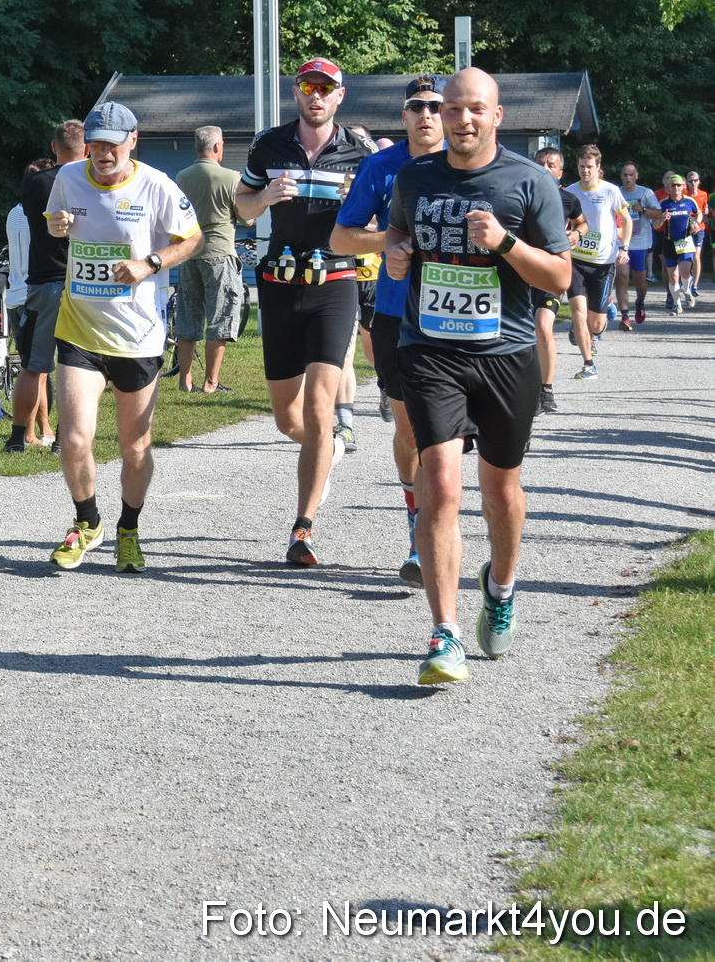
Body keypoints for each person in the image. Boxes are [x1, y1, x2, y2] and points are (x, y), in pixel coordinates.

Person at [383, 68, 571, 686]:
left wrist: (506, 242)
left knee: (502, 492)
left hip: (506, 354)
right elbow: (398, 237)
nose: (462, 120)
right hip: (430, 348)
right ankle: (445, 632)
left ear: (497, 115)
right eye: (453, 108)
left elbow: (560, 279)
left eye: (475, 110)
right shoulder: (414, 177)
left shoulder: (530, 181)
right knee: (439, 482)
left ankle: (502, 586)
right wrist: (395, 252)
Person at [43, 103, 202, 571]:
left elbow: (193, 240)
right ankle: (86, 521)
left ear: (133, 139)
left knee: (134, 448)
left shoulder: (156, 186)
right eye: (96, 141)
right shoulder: (69, 178)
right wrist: (55, 227)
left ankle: (128, 529)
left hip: (138, 337)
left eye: (114, 142)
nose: (103, 151)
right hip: (79, 329)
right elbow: (56, 224)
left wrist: (150, 264)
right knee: (73, 439)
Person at [235, 57, 376, 565]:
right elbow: (242, 206)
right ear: (296, 93)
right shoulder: (269, 144)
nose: (316, 96)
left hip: (335, 281)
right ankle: (331, 448)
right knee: (287, 420)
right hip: (278, 281)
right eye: (308, 87)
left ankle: (302, 529)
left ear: (340, 96)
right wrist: (265, 197)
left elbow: (382, 215)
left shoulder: (360, 152)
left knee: (319, 409)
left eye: (326, 88)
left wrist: (359, 207)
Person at [330, 74, 447, 589]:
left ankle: (433, 536)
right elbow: (341, 236)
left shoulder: (473, 162)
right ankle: (418, 530)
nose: (427, 115)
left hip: (460, 318)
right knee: (413, 435)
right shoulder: (381, 166)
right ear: (403, 116)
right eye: (417, 106)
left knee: (445, 440)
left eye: (436, 106)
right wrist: (389, 241)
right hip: (398, 315)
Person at [8, 122, 85, 453]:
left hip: (43, 282)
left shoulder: (35, 182)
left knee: (32, 365)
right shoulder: (94, 184)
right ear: (87, 148)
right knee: (78, 367)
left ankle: (16, 438)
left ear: (54, 148)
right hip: (82, 284)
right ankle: (64, 438)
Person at [170, 125, 241, 394]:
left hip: (189, 254)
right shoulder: (230, 178)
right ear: (215, 147)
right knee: (220, 319)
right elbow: (247, 217)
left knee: (188, 319)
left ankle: (184, 380)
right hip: (220, 253)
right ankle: (211, 382)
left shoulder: (181, 177)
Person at [564, 145, 629, 381]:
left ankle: (597, 323)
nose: (585, 171)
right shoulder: (570, 192)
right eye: (581, 167)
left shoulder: (610, 191)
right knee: (578, 312)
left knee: (597, 322)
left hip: (603, 263)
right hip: (576, 261)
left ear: (598, 167)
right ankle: (588, 363)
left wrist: (625, 248)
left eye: (589, 167)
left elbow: (627, 220)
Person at [528, 146, 584, 416]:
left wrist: (578, 235)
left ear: (560, 172)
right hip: (520, 270)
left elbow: (581, 223)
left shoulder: (568, 199)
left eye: (552, 164)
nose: (546, 168)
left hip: (550, 271)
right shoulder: (521, 193)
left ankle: (545, 390)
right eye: (541, 163)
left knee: (543, 325)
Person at [3, 164, 55, 451]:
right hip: (34, 293)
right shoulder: (38, 215)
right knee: (37, 370)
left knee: (33, 367)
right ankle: (32, 432)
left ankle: (42, 428)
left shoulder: (13, 213)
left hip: (14, 295)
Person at [615, 161, 662, 328]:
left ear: (636, 176)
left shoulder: (645, 193)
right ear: (620, 176)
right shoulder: (616, 193)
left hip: (641, 243)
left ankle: (640, 302)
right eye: (625, 175)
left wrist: (642, 209)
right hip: (621, 243)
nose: (628, 178)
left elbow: (658, 213)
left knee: (640, 281)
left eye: (631, 175)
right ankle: (625, 316)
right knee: (622, 277)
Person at [660, 174, 700, 312]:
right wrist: (662, 219)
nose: (676, 188)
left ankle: (687, 290)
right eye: (673, 185)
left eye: (678, 185)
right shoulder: (663, 203)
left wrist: (697, 223)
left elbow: (698, 213)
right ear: (668, 188)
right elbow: (655, 224)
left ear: (683, 186)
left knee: (684, 272)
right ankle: (677, 304)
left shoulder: (689, 201)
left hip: (685, 241)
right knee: (673, 276)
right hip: (669, 242)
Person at [687, 170, 708, 293]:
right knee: (686, 257)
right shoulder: (683, 194)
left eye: (695, 180)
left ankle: (694, 285)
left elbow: (707, 212)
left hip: (700, 228)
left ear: (699, 182)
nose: (693, 183)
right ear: (687, 182)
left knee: (696, 256)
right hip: (686, 228)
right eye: (691, 181)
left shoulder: (704, 194)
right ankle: (686, 279)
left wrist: (706, 213)